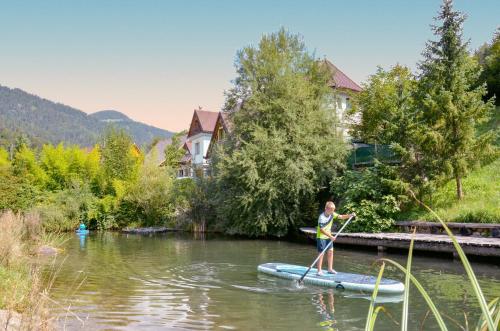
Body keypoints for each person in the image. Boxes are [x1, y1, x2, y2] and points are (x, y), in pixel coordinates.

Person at [316, 201, 354, 276]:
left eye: (333, 210)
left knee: (330, 252)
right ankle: (319, 270)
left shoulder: (332, 214)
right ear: (326, 209)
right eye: (331, 210)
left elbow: (341, 216)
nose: (333, 212)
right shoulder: (322, 217)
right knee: (321, 253)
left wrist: (350, 215)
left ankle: (330, 269)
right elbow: (321, 230)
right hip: (321, 237)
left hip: (329, 236)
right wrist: (331, 236)